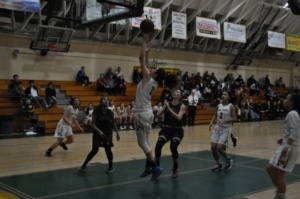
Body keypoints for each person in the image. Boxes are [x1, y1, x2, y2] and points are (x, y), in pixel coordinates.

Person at [133, 33, 166, 181]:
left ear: (156, 75)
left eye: (155, 70)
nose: (152, 69)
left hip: (141, 113)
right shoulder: (153, 81)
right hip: (148, 112)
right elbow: (145, 63)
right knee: (146, 140)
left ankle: (154, 166)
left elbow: (141, 61)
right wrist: (147, 52)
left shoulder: (148, 79)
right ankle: (149, 167)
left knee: (142, 142)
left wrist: (144, 41)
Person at [267, 93, 300, 199]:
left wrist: (287, 146)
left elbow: (295, 131)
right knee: (270, 169)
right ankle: (280, 191)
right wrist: (284, 140)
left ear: (292, 102)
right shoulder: (293, 113)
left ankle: (281, 195)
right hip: (288, 145)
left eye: (287, 99)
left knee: (278, 175)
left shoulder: (292, 114)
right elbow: (294, 131)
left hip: (289, 148)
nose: (284, 100)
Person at [78, 96, 120, 174]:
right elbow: (92, 124)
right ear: (101, 102)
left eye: (107, 100)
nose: (106, 100)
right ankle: (84, 165)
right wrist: (99, 132)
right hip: (97, 133)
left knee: (108, 149)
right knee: (95, 149)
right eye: (104, 99)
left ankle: (110, 166)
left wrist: (117, 133)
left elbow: (114, 123)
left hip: (107, 133)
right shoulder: (97, 111)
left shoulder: (110, 112)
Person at [154, 90, 186, 179]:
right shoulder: (167, 104)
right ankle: (157, 167)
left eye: (177, 92)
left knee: (173, 146)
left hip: (177, 130)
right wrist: (164, 107)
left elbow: (179, 118)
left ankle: (175, 167)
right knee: (158, 144)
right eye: (174, 92)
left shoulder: (182, 106)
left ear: (180, 96)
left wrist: (169, 109)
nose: (175, 93)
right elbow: (158, 115)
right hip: (166, 129)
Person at [209, 90, 237, 172]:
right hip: (217, 128)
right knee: (213, 147)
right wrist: (211, 122)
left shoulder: (231, 106)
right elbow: (215, 115)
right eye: (222, 94)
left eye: (225, 94)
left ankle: (229, 160)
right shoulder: (218, 106)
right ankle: (218, 164)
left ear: (228, 97)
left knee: (219, 148)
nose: (223, 95)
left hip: (226, 129)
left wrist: (225, 121)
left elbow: (234, 118)